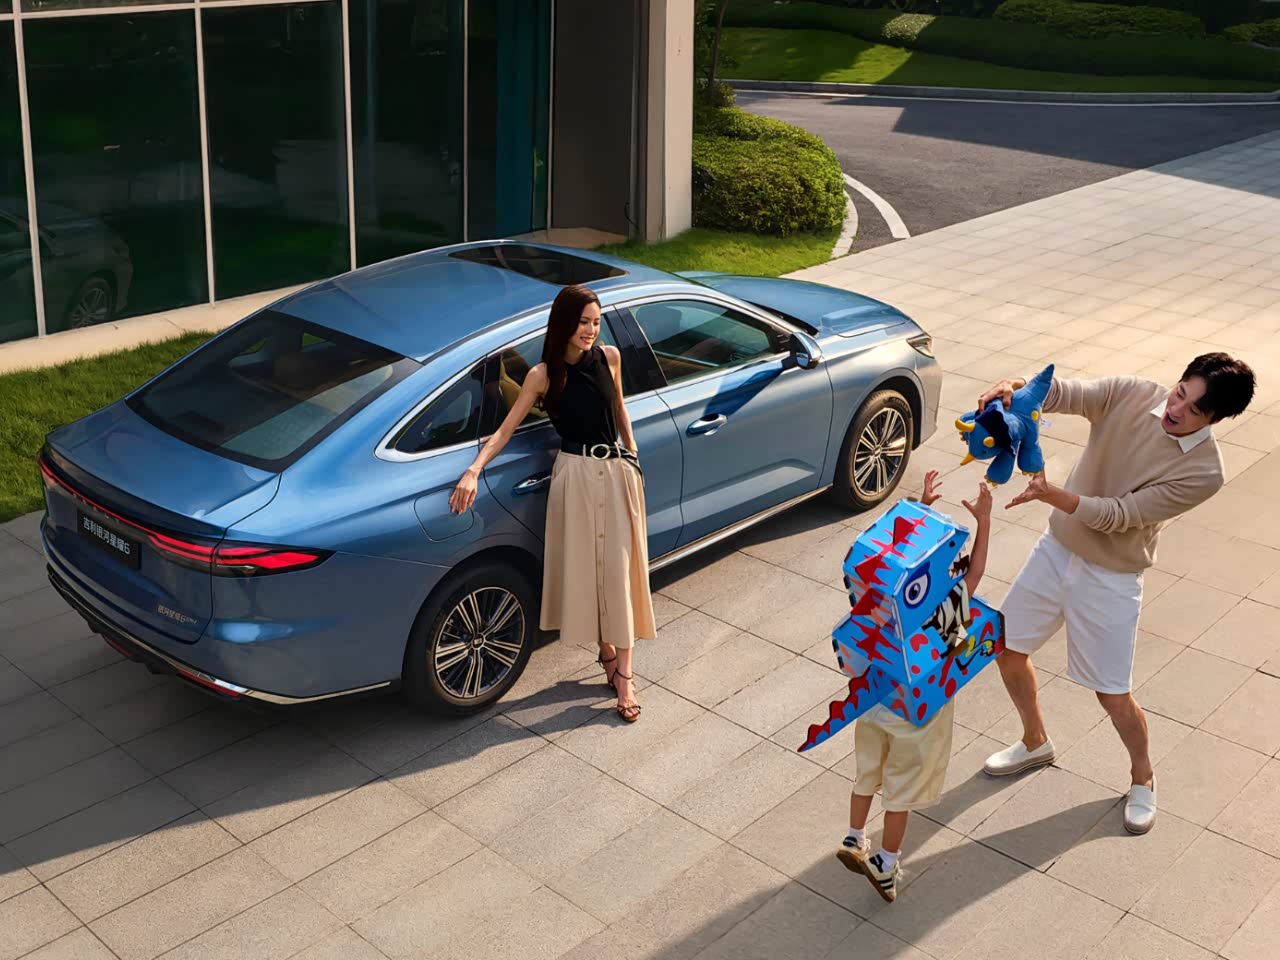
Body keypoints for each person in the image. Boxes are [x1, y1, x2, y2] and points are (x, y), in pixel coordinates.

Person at [979, 353, 1256, 834]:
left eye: (1193, 409)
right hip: (1056, 549)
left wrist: (1053, 494)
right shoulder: (1134, 393)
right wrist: (1016, 386)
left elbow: (1120, 515)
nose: (1176, 409)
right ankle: (1035, 741)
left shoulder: (1205, 472)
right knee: (1007, 647)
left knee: (1112, 694)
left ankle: (1142, 777)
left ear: (1215, 420)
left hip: (1112, 574)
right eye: (1180, 392)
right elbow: (1064, 393)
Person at [449, 284, 655, 722]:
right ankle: (606, 651)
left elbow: (620, 410)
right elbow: (505, 430)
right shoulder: (542, 375)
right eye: (583, 322)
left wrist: (633, 453)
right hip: (574, 476)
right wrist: (473, 470)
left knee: (618, 574)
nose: (591, 331)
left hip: (616, 473)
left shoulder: (611, 358)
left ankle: (625, 677)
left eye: (596, 322)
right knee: (590, 573)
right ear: (564, 324)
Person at [841, 470, 992, 903]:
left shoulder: (884, 603)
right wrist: (984, 521)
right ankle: (886, 862)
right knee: (901, 791)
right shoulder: (953, 604)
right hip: (917, 714)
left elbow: (900, 562)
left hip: (874, 704)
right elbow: (978, 568)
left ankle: (854, 836)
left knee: (867, 772)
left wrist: (921, 509)